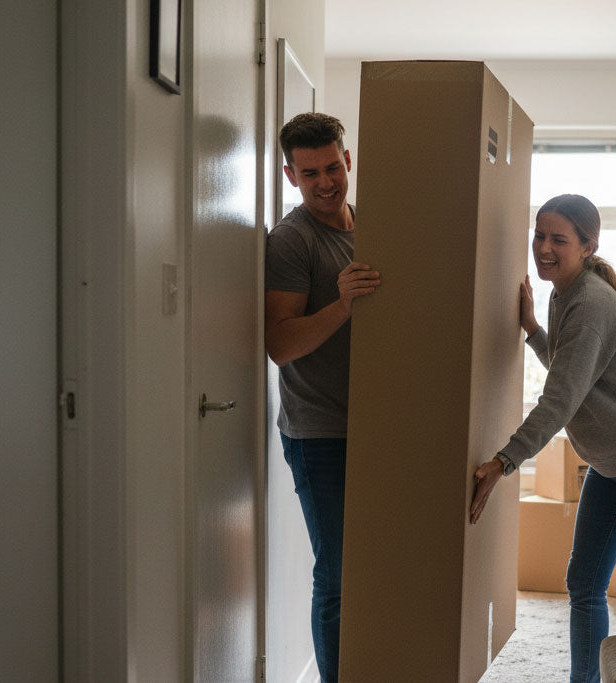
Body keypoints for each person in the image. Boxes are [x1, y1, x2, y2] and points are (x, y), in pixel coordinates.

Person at [469, 194, 616, 683]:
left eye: (558, 240)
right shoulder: (563, 290)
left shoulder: (589, 303)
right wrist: (532, 329)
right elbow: (577, 370)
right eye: (540, 235)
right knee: (585, 582)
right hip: (612, 463)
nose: (544, 248)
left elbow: (560, 399)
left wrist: (504, 462)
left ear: (588, 246)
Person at [265, 113, 380, 682]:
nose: (326, 182)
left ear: (348, 160)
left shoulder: (376, 224)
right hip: (320, 434)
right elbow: (280, 344)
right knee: (336, 576)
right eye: (310, 173)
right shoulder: (291, 241)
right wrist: (341, 304)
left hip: (379, 426)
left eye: (333, 167)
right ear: (291, 175)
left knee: (376, 568)